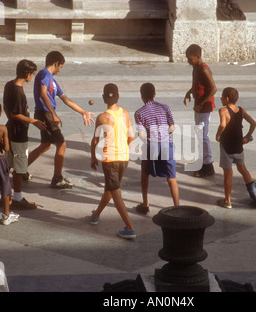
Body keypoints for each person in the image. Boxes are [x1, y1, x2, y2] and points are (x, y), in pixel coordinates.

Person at [28, 51, 95, 189]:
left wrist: (83, 112)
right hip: (45, 113)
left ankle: (20, 170)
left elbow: (65, 99)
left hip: (47, 113)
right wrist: (53, 114)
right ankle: (57, 178)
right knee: (62, 144)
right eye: (61, 67)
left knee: (46, 144)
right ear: (56, 63)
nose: (60, 70)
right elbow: (42, 93)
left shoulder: (52, 79)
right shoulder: (44, 74)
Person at [90, 83, 136, 239]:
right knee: (110, 189)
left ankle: (129, 227)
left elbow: (95, 141)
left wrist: (92, 157)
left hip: (110, 160)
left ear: (103, 98)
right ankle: (96, 215)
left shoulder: (101, 117)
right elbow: (131, 137)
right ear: (119, 96)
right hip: (124, 158)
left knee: (116, 195)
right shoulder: (126, 114)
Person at [3, 59, 47, 209]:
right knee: (19, 167)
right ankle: (17, 198)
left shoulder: (9, 85)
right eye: (32, 74)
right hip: (18, 134)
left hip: (9, 130)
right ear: (28, 74)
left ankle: (5, 196)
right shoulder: (17, 91)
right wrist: (32, 120)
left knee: (7, 164)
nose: (32, 77)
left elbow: (6, 108)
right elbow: (16, 114)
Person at [134, 83, 180, 215]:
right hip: (166, 144)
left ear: (142, 96)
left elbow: (142, 134)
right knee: (172, 178)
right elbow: (172, 127)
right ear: (154, 94)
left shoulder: (139, 112)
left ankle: (145, 203)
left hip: (151, 145)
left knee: (145, 174)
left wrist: (144, 139)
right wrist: (165, 134)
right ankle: (177, 207)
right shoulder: (165, 108)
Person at [215, 87, 256, 208]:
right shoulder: (241, 110)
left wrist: (218, 135)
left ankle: (227, 201)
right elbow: (253, 123)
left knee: (228, 174)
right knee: (243, 170)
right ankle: (255, 195)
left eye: (221, 97)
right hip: (238, 147)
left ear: (226, 99)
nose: (220, 99)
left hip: (226, 147)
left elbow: (222, 124)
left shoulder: (223, 111)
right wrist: (247, 136)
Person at [184, 44, 217, 177]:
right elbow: (197, 85)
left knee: (203, 136)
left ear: (198, 57)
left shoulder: (204, 69)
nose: (188, 61)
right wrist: (189, 92)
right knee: (199, 134)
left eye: (190, 59)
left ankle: (208, 165)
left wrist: (201, 103)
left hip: (204, 108)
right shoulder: (196, 68)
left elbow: (213, 89)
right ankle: (202, 161)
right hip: (199, 107)